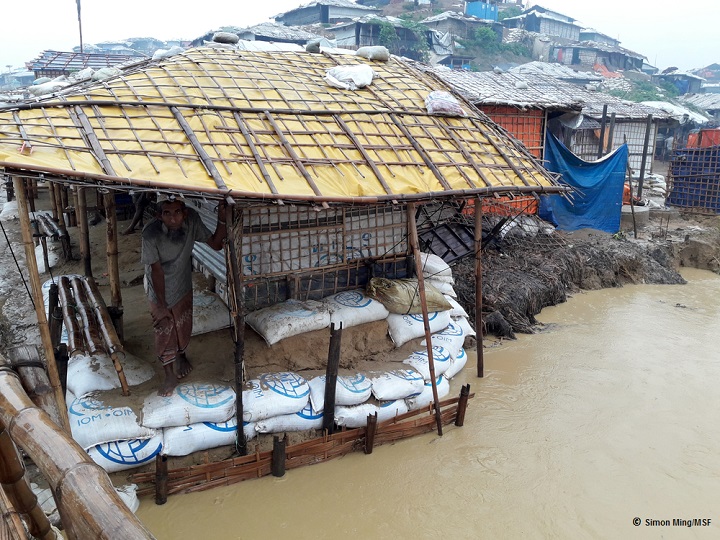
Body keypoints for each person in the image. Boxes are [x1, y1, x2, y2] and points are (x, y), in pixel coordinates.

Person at [141, 194, 227, 396]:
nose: (173, 219)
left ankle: (181, 355)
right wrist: (162, 303)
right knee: (164, 327)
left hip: (181, 282)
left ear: (184, 212)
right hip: (158, 285)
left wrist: (223, 218)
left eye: (177, 212)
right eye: (167, 213)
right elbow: (156, 271)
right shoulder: (150, 235)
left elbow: (216, 244)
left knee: (181, 323)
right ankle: (169, 373)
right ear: (159, 216)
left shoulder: (192, 221)